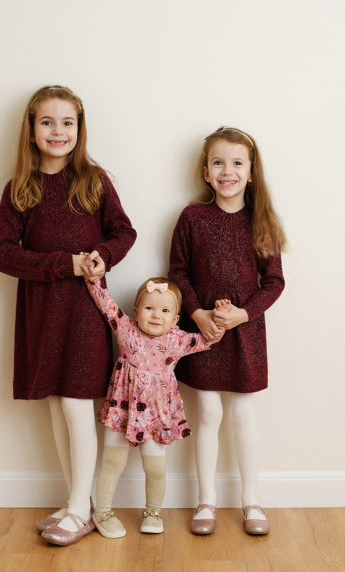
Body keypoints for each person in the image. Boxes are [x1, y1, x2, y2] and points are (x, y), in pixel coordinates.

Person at [0, 85, 136, 546]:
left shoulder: (95, 180)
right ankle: (78, 500)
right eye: (48, 122)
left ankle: (80, 508)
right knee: (57, 405)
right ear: (32, 130)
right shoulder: (19, 189)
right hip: (41, 314)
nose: (58, 131)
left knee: (77, 405)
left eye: (67, 122)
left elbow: (124, 231)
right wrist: (64, 263)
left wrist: (100, 254)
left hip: (86, 314)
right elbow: (3, 255)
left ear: (80, 128)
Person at [169, 126, 286, 536]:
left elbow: (274, 282)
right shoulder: (192, 217)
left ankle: (251, 500)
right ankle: (206, 500)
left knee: (241, 416)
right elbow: (178, 273)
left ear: (251, 172)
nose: (227, 171)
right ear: (205, 171)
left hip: (243, 335)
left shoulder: (262, 222)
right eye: (218, 162)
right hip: (203, 334)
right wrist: (199, 314)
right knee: (208, 414)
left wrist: (243, 315)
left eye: (237, 163)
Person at [86, 277, 218, 538]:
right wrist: (93, 279)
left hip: (157, 417)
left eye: (165, 311)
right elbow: (106, 304)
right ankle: (101, 511)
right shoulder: (126, 329)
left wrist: (220, 317)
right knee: (112, 462)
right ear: (136, 312)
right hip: (121, 412)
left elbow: (208, 339)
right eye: (149, 308)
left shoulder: (177, 340)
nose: (157, 315)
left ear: (176, 319)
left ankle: (153, 511)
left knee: (155, 468)